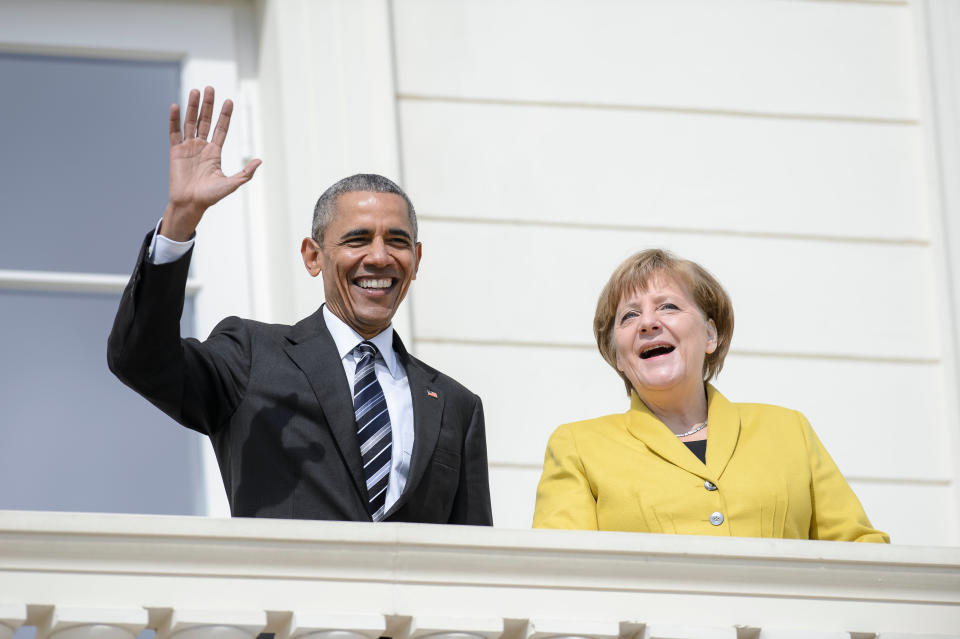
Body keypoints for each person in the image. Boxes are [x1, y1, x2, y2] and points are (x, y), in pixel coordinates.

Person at [108, 86, 492, 525]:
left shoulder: (456, 406)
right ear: (313, 256)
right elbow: (140, 360)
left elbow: (474, 556)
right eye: (358, 239)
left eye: (398, 242)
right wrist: (180, 222)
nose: (381, 257)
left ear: (416, 260)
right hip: (285, 595)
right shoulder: (251, 356)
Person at [532, 249, 887, 541]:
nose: (648, 323)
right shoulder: (578, 446)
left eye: (668, 306)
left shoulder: (788, 429)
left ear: (710, 335)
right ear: (618, 357)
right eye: (629, 315)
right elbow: (562, 572)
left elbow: (860, 550)